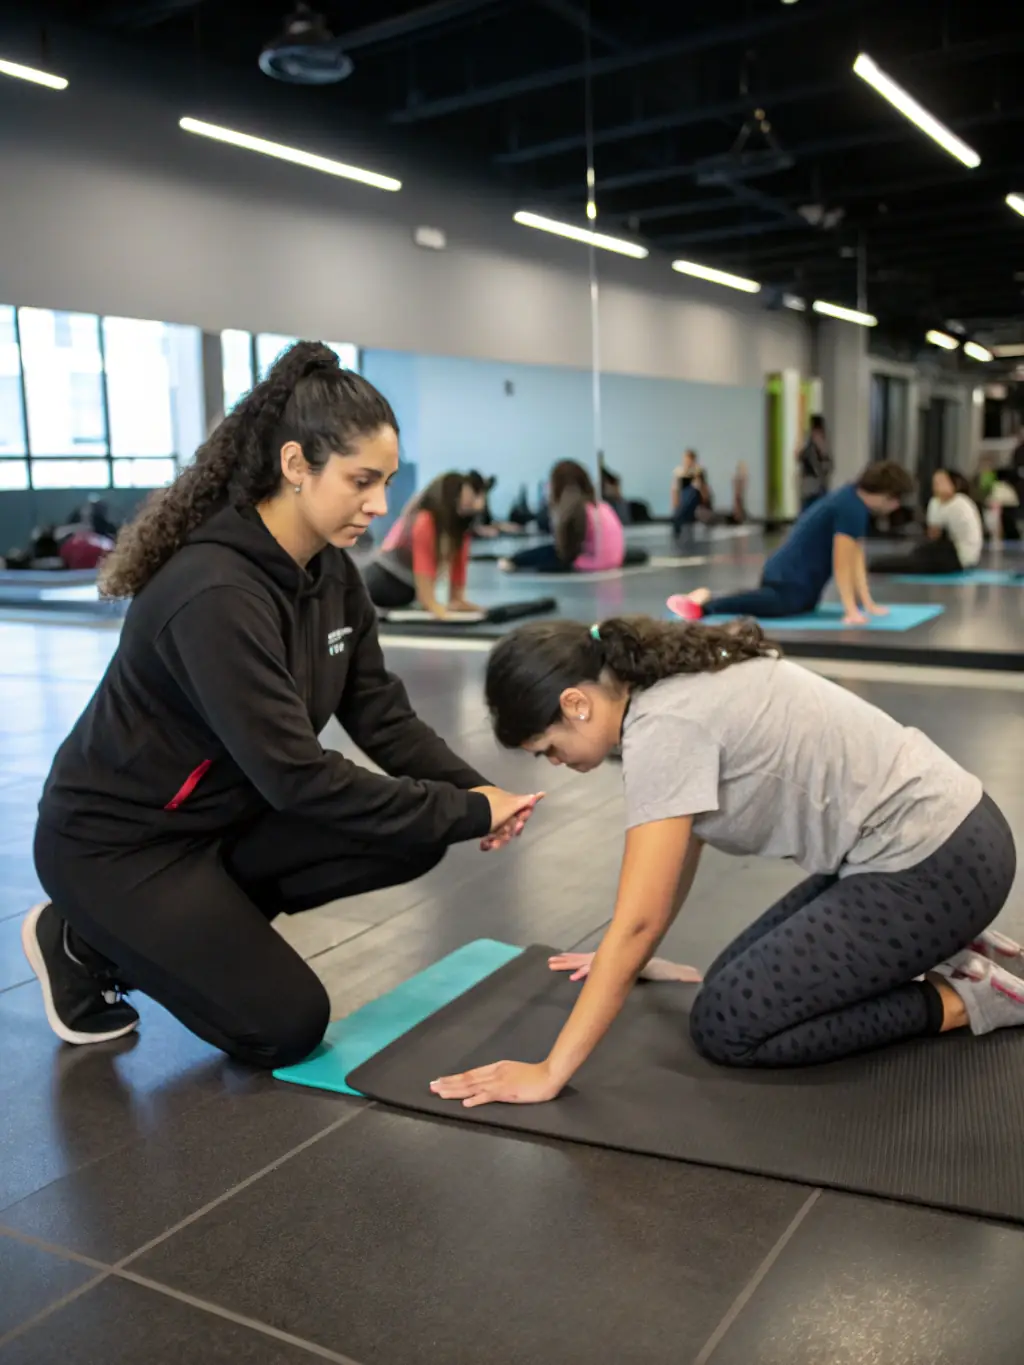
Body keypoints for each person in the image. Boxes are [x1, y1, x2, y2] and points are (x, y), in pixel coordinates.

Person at [22, 342, 541, 1068]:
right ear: (296, 464)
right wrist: (468, 811)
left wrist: (479, 793)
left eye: (388, 482)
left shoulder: (332, 573)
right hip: (119, 844)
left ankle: (157, 930)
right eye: (362, 480)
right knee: (287, 1025)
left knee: (415, 833)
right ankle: (83, 939)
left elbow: (381, 714)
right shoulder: (214, 594)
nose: (380, 505)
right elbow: (298, 778)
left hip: (225, 817)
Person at [429, 615, 1017, 1107]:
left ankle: (969, 998)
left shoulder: (662, 730)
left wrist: (550, 1071)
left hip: (937, 866)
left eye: (549, 748)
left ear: (576, 703)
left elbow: (639, 920)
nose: (556, 762)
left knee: (728, 1027)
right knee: (731, 979)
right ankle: (953, 942)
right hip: (948, 839)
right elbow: (677, 852)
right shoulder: (668, 682)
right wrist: (627, 955)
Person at [668, 461, 914, 627]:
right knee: (778, 605)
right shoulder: (850, 507)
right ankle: (706, 604)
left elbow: (856, 557)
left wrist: (867, 604)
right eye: (896, 501)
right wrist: (851, 610)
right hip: (788, 578)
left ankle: (708, 598)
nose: (895, 508)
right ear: (888, 496)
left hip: (802, 582)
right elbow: (842, 562)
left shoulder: (853, 500)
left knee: (800, 606)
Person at [362, 470, 485, 617]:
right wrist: (438, 610)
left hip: (405, 589)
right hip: (381, 581)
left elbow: (456, 595)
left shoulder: (460, 530)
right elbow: (425, 592)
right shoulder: (425, 521)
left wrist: (461, 604)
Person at [499, 460, 647, 574]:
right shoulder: (601, 507)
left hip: (591, 564)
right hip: (612, 561)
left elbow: (564, 551)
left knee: (547, 554)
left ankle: (513, 560)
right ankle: (515, 559)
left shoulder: (577, 509)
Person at [871, 469, 983, 575]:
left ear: (954, 484)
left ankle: (878, 566)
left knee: (916, 560)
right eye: (935, 482)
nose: (936, 485)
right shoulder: (935, 502)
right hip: (944, 549)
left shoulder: (960, 503)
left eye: (941, 481)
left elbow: (936, 533)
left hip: (960, 556)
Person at [797, 415, 832, 511]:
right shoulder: (808, 450)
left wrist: (823, 453)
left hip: (820, 491)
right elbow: (803, 460)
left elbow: (829, 468)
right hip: (809, 492)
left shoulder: (824, 449)